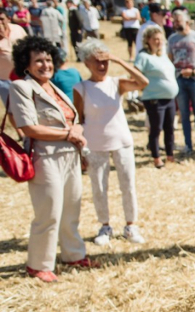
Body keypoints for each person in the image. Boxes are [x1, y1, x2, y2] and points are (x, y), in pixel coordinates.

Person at [11, 35, 94, 283]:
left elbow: (73, 119)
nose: (45, 64)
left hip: (69, 155)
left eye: (48, 59)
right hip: (44, 157)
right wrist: (70, 133)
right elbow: (28, 128)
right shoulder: (22, 87)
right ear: (26, 64)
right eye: (38, 60)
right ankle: (39, 265)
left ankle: (73, 256)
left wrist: (77, 132)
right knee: (49, 212)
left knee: (71, 208)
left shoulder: (54, 87)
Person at [73, 39, 148, 246]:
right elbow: (79, 118)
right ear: (87, 63)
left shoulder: (116, 83)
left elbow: (143, 83)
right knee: (99, 187)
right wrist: (81, 150)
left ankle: (131, 225)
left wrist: (120, 61)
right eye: (97, 61)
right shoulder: (81, 88)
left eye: (105, 61)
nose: (102, 66)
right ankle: (105, 226)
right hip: (95, 144)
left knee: (128, 185)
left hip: (122, 141)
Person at [168, 9, 195, 155]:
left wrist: (194, 72)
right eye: (174, 21)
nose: (175, 23)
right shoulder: (172, 39)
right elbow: (168, 60)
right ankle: (188, 144)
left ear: (187, 22)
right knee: (184, 114)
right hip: (179, 80)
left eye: (178, 20)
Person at [135, 25, 177, 169]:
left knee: (170, 128)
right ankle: (156, 157)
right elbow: (135, 74)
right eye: (155, 39)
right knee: (156, 129)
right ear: (148, 40)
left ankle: (170, 155)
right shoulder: (143, 56)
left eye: (160, 39)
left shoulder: (162, 55)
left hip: (169, 98)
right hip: (154, 99)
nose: (158, 42)